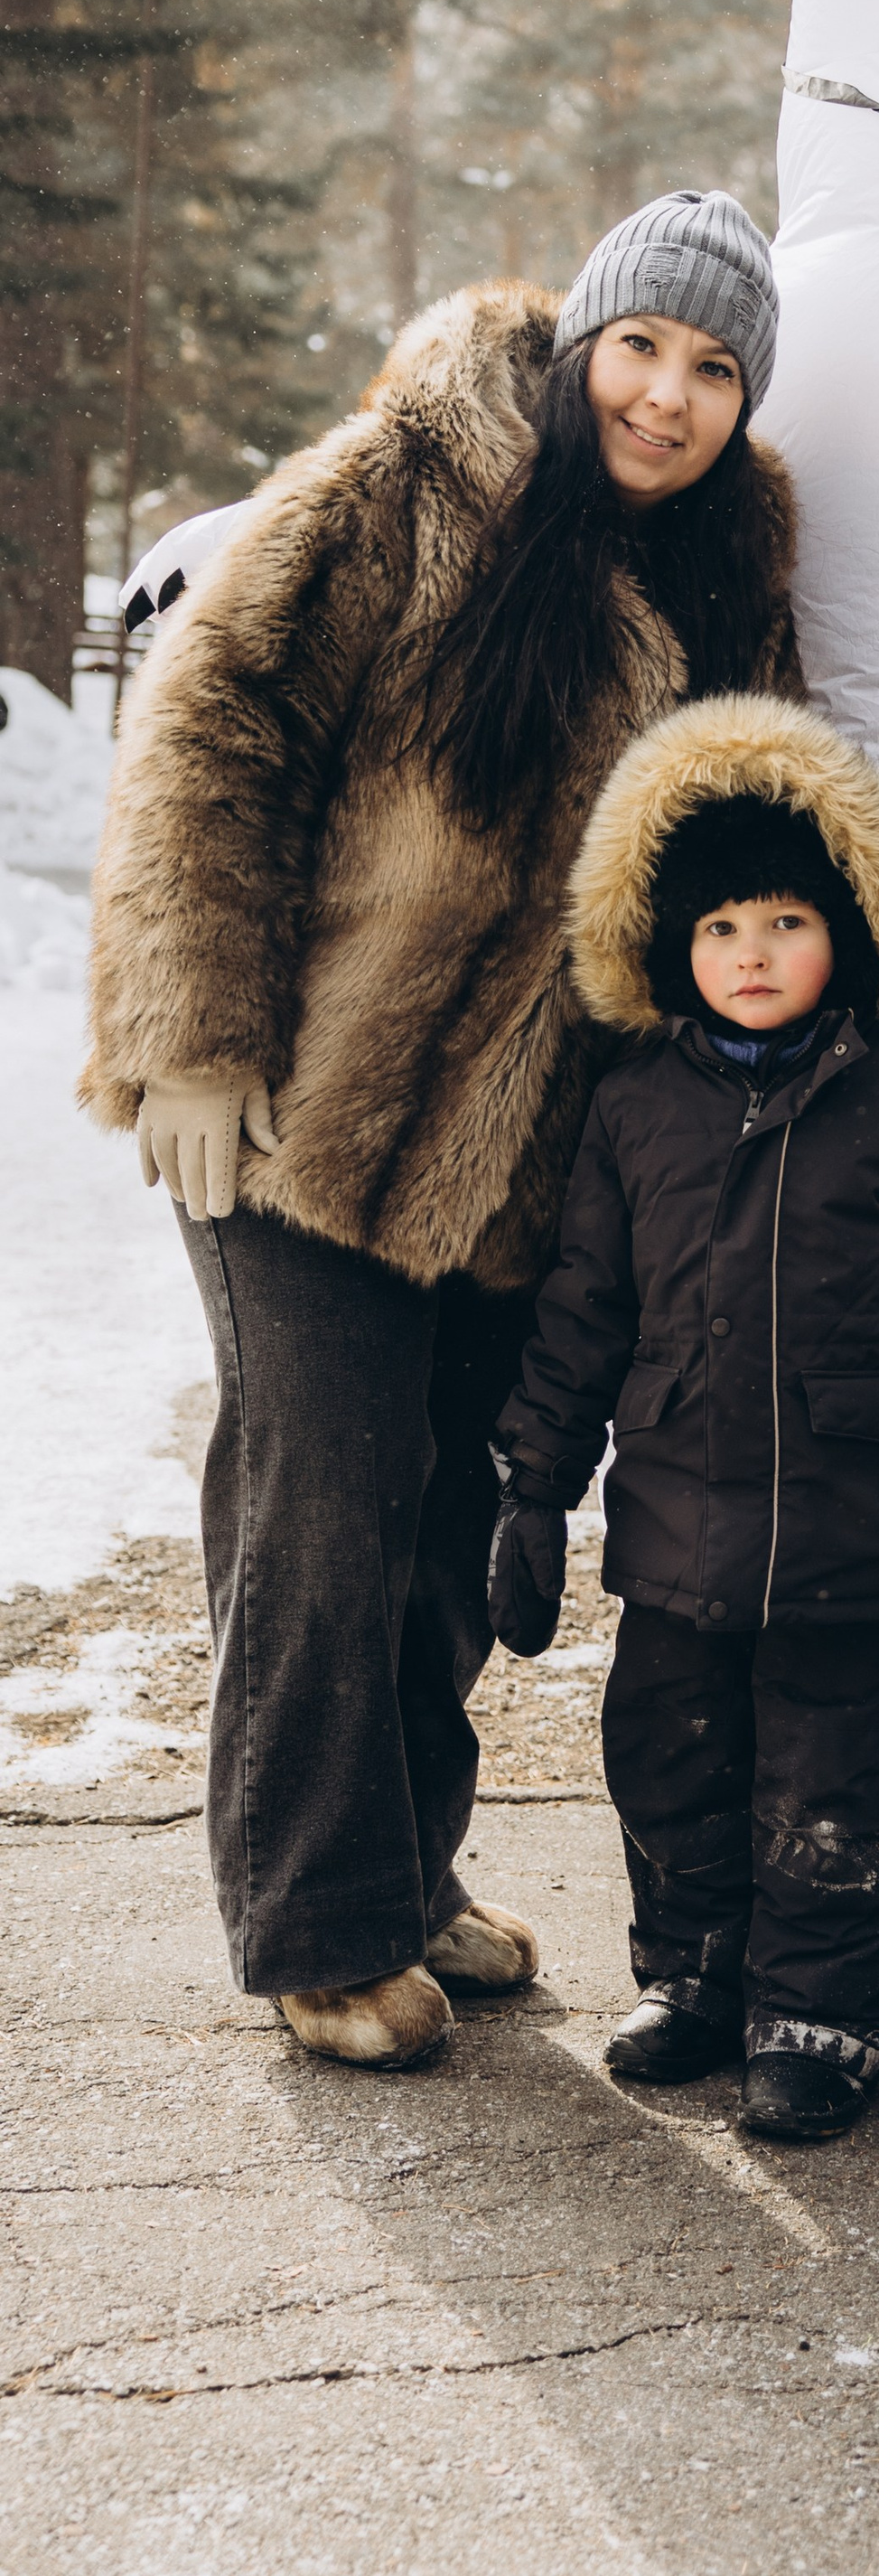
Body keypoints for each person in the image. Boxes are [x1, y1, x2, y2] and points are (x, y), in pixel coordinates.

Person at [79, 192, 795, 2070]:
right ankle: (317, 1925)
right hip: (310, 1101)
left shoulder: (729, 580)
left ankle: (399, 1865)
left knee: (462, 1511)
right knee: (322, 1498)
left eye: (715, 371)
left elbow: (756, 834)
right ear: (581, 340)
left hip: (539, 1156)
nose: (666, 397)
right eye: (643, 346)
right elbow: (212, 730)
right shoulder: (403, 479)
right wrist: (188, 1040)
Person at [489, 693, 879, 2143]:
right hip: (681, 1527)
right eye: (720, 931)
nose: (753, 957)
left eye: (786, 925)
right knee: (671, 1757)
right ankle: (694, 1974)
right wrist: (532, 1484)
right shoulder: (635, 1110)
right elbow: (583, 1313)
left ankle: (824, 2011)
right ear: (674, 950)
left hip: (859, 1536)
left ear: (852, 935)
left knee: (835, 1790)